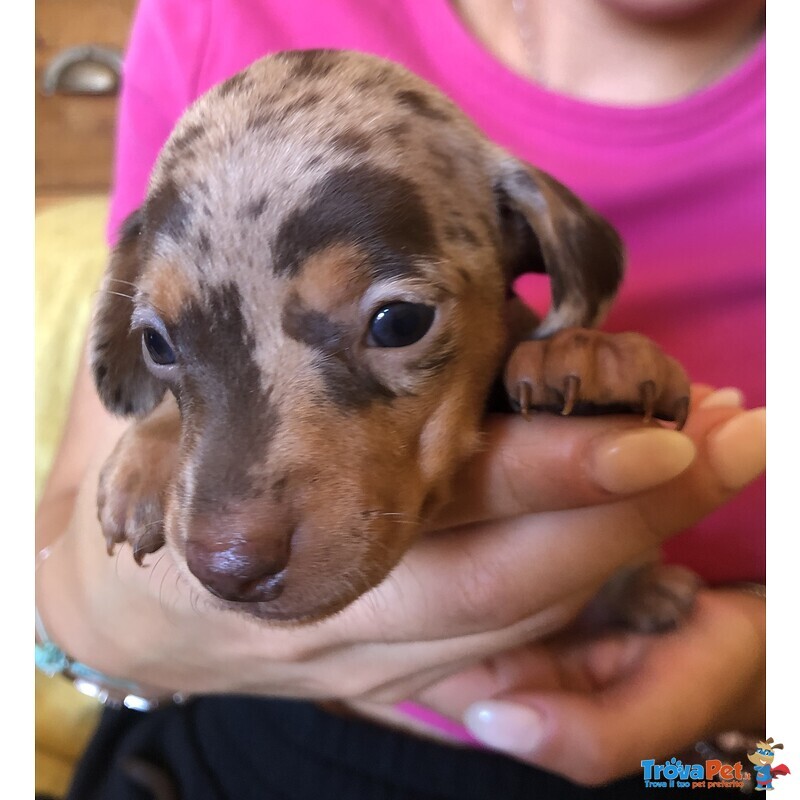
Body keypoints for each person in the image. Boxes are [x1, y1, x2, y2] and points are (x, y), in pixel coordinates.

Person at [35, 0, 766, 796]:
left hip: (687, 765)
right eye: (162, 340)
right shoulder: (208, 16)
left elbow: (771, 768)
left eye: (393, 322)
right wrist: (90, 623)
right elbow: (67, 554)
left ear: (552, 255)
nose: (228, 543)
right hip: (247, 732)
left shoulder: (535, 319)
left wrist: (764, 695)